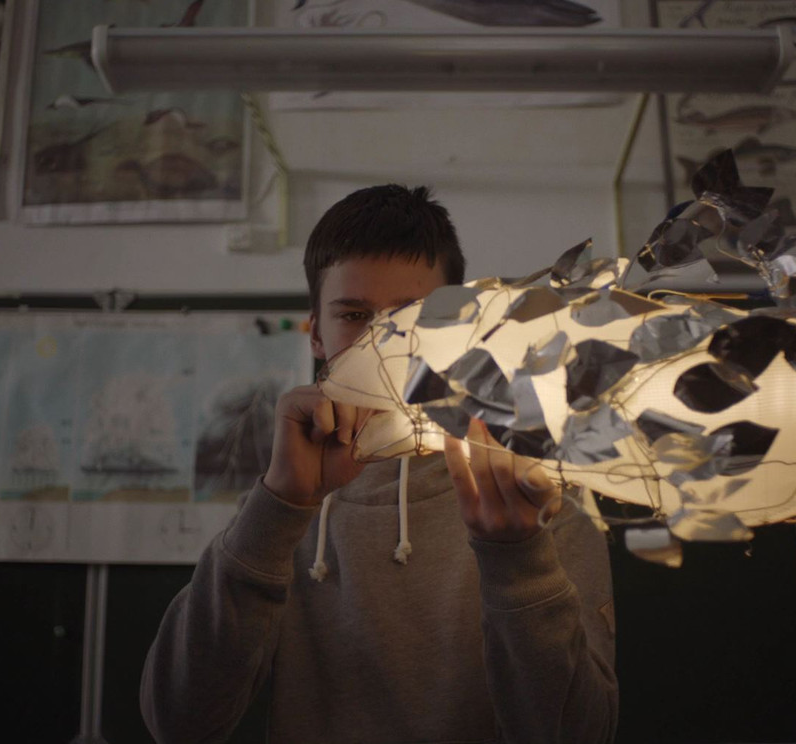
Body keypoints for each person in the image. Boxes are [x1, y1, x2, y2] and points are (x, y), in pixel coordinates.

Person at [141, 185, 618, 743]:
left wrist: (520, 560)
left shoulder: (536, 492)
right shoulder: (281, 506)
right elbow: (178, 723)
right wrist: (278, 508)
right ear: (316, 334)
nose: (383, 346)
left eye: (411, 318)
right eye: (354, 316)